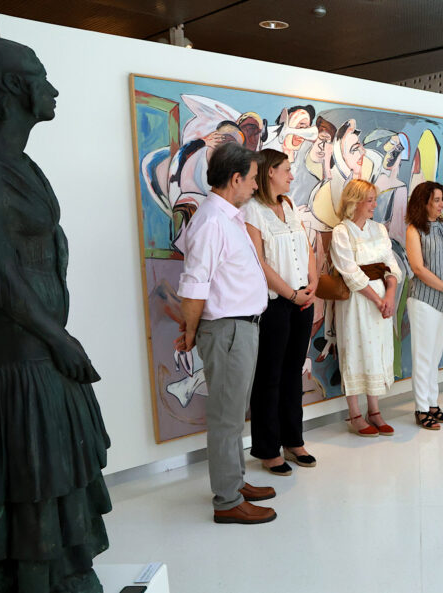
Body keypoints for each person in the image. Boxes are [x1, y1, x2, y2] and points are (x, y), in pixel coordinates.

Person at [0, 37, 112, 592]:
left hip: (40, 349)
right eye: (40, 76)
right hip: (14, 358)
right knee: (30, 479)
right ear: (11, 87)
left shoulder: (17, 164)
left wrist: (57, 341)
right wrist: (60, 340)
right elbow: (2, 276)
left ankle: (61, 574)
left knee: (53, 474)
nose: (52, 89)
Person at [175, 142, 276, 524]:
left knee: (233, 413)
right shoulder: (212, 222)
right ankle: (227, 500)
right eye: (252, 178)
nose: (255, 185)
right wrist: (191, 331)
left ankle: (235, 481)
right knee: (226, 416)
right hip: (228, 331)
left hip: (239, 329)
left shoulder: (227, 217)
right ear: (235, 179)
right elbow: (194, 285)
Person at [244, 149, 319, 475]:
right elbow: (259, 262)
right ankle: (267, 448)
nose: (291, 175)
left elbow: (307, 248)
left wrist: (313, 283)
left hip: (303, 300)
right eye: (286, 170)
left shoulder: (288, 205)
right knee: (269, 376)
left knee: (293, 373)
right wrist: (291, 294)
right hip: (275, 304)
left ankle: (293, 440)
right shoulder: (251, 210)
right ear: (269, 172)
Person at [330, 179, 403, 436]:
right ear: (355, 202)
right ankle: (355, 414)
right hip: (357, 302)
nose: (375, 205)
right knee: (355, 348)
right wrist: (377, 299)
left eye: (375, 199)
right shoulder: (342, 232)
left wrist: (390, 296)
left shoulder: (379, 229)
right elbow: (350, 273)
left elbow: (391, 265)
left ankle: (375, 411)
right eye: (370, 200)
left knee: (377, 350)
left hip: (382, 299)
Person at [404, 181, 443, 430]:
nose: (442, 204)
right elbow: (418, 268)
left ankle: (432, 403)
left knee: (435, 355)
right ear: (424, 202)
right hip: (424, 300)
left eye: (442, 199)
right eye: (437, 200)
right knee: (423, 356)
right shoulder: (414, 230)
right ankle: (421, 408)